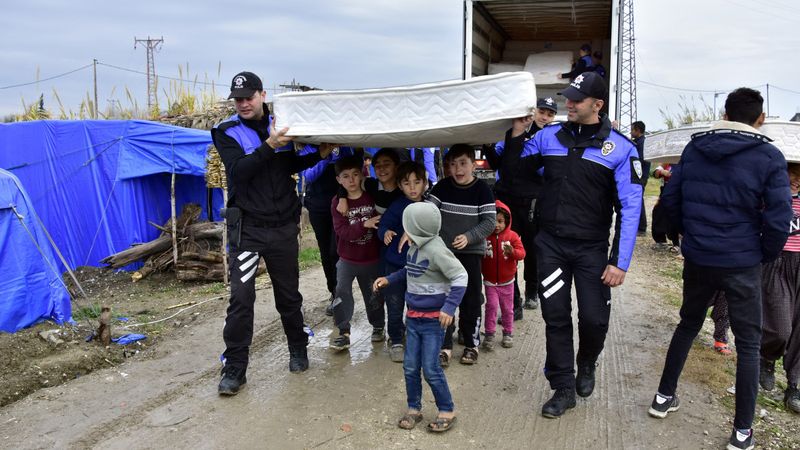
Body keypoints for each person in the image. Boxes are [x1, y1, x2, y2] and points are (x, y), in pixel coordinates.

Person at [648, 87, 792, 450]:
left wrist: (684, 238)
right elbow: (779, 218)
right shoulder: (769, 155)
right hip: (742, 261)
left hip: (699, 257)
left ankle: (664, 397)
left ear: (726, 114)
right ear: (760, 119)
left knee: (687, 325)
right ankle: (742, 432)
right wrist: (765, 254)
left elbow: (670, 199)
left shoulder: (695, 148)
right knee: (748, 344)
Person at [507, 71, 644, 417]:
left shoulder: (621, 148)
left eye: (577, 99)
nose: (569, 103)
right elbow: (514, 171)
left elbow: (630, 208)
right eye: (569, 96)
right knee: (555, 316)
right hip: (551, 246)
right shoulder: (548, 137)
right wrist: (518, 132)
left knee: (594, 319)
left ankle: (588, 362)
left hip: (591, 250)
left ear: (597, 105)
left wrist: (620, 261)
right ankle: (563, 387)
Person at [212, 71, 333, 395]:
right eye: (238, 99)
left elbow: (284, 167)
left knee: (288, 296)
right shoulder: (226, 131)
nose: (243, 103)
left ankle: (298, 348)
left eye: (248, 97)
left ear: (262, 95)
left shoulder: (283, 123)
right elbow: (239, 172)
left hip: (282, 228)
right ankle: (235, 369)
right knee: (241, 299)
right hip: (248, 230)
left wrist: (316, 155)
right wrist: (269, 145)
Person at [373, 201, 467, 433]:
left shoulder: (437, 250)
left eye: (408, 226)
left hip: (434, 320)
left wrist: (449, 307)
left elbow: (460, 276)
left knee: (431, 368)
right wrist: (390, 279)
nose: (405, 231)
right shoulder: (415, 247)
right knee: (410, 366)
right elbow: (411, 270)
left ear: (419, 228)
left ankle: (447, 409)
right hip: (413, 318)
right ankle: (414, 408)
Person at [486, 97, 557, 314]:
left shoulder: (549, 137)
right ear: (533, 111)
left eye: (550, 113)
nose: (545, 117)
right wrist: (487, 143)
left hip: (532, 204)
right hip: (507, 201)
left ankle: (532, 292)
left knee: (531, 249)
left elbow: (547, 170)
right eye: (541, 111)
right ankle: (513, 303)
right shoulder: (513, 131)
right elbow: (497, 162)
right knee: (506, 249)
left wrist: (527, 164)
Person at [427, 144, 496, 366]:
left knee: (471, 299)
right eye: (453, 164)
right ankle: (444, 346)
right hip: (444, 254)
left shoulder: (482, 190)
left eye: (463, 163)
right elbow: (428, 212)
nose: (458, 169)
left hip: (471, 254)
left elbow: (489, 222)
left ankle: (471, 344)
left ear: (473, 164)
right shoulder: (442, 187)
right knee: (444, 298)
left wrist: (469, 236)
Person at [329, 156, 384, 351]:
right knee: (342, 292)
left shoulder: (372, 195)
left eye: (355, 175)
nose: (351, 180)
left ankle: (378, 326)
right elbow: (343, 232)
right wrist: (365, 224)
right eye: (346, 176)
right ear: (339, 180)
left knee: (373, 295)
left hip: (371, 258)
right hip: (347, 259)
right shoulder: (337, 202)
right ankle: (343, 332)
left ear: (362, 175)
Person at [759, 163, 800, 414]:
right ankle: (767, 357)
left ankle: (794, 385)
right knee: (781, 328)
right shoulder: (770, 195)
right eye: (792, 174)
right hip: (778, 261)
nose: (796, 180)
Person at [377, 161, 429, 362]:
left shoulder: (429, 206)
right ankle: (396, 340)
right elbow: (384, 225)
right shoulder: (397, 205)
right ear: (400, 185)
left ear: (425, 183)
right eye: (407, 183)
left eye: (417, 182)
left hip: (420, 268)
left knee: (417, 304)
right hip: (395, 264)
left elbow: (435, 231)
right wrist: (386, 232)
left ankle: (417, 336)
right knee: (395, 304)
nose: (413, 187)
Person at [300, 146, 358, 316]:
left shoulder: (342, 145)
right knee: (326, 252)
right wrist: (324, 156)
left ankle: (343, 292)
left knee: (337, 251)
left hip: (341, 203)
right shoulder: (307, 148)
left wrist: (342, 196)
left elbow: (349, 168)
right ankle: (334, 293)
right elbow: (309, 176)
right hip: (317, 205)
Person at [481, 200, 526, 350]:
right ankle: (489, 334)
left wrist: (512, 252)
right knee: (491, 307)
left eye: (500, 221)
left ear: (507, 221)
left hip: (507, 281)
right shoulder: (485, 236)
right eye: (493, 221)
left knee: (507, 309)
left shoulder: (512, 236)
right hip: (490, 281)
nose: (496, 225)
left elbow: (522, 254)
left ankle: (508, 333)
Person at [650, 163, 681, 251]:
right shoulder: (667, 161)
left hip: (681, 190)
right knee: (658, 212)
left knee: (675, 215)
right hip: (666, 190)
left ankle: (677, 243)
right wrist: (662, 172)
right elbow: (655, 173)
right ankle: (660, 240)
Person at [631, 121, 650, 235]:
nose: (631, 132)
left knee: (638, 201)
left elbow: (639, 160)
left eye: (632, 129)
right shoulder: (637, 142)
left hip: (640, 176)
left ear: (638, 130)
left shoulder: (642, 144)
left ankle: (642, 228)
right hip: (638, 176)